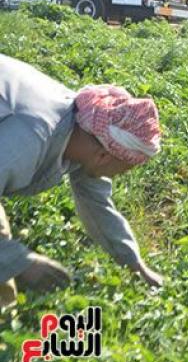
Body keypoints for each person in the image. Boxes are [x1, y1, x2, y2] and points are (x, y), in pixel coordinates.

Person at [0, 54, 164, 309]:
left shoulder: (80, 131)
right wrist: (20, 261)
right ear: (102, 156)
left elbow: (97, 204)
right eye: (125, 169)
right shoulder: (31, 139)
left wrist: (135, 265)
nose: (121, 175)